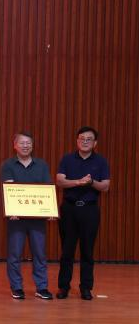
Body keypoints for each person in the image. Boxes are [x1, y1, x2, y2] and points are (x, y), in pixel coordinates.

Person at [56, 126, 110, 300]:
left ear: (95, 143)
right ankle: (63, 287)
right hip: (69, 209)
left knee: (87, 251)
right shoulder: (67, 159)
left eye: (89, 139)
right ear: (77, 140)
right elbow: (60, 181)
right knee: (67, 250)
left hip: (90, 209)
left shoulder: (101, 161)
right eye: (82, 138)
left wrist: (91, 182)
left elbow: (105, 186)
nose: (85, 142)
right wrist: (78, 182)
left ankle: (86, 288)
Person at [0, 131, 53, 300]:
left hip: (37, 219)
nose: (25, 146)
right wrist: (12, 210)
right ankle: (16, 287)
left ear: (32, 145)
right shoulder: (8, 165)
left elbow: (47, 190)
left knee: (40, 254)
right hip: (16, 218)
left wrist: (50, 210)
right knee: (15, 254)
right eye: (22, 143)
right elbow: (9, 190)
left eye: (28, 143)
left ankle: (41, 287)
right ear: (15, 145)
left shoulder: (42, 165)